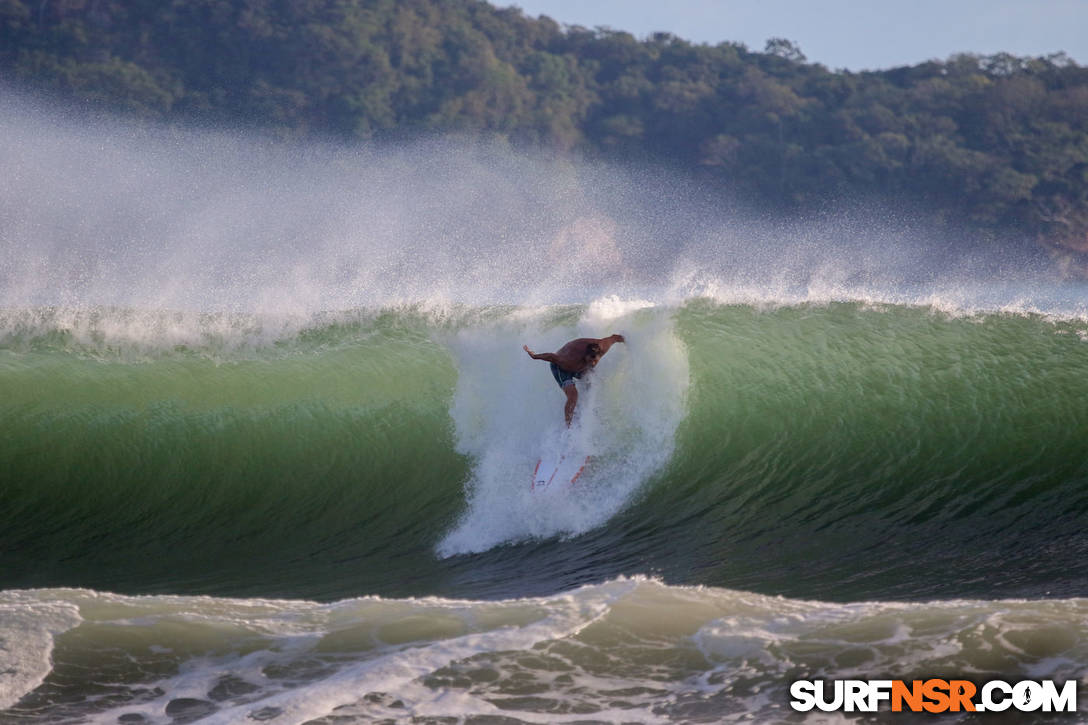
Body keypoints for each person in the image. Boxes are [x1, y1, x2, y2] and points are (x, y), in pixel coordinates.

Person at [523, 334, 625, 426]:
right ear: (585, 356)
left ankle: (588, 411)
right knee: (573, 395)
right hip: (561, 369)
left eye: (595, 360)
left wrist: (629, 341)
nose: (593, 363)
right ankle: (568, 426)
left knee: (594, 382)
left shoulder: (603, 346)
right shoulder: (568, 359)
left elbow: (615, 337)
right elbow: (551, 356)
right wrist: (534, 356)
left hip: (580, 368)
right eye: (590, 360)